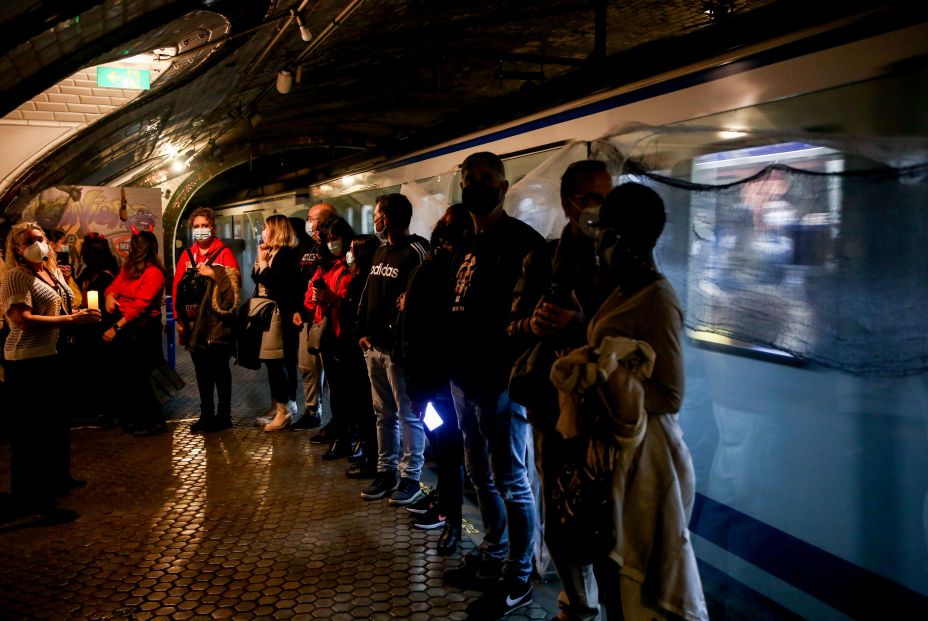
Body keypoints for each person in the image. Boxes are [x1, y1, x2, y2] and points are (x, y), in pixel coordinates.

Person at [547, 183, 707, 621]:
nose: (599, 243)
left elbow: (669, 394)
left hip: (641, 465)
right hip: (613, 461)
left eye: (606, 233)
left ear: (622, 238)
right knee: (610, 567)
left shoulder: (657, 299)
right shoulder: (622, 288)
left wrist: (602, 379)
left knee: (626, 579)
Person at [507, 160, 616, 620]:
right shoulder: (543, 259)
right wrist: (532, 324)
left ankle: (610, 605)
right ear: (569, 203)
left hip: (609, 409)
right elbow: (510, 327)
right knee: (560, 511)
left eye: (606, 198)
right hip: (554, 408)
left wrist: (580, 324)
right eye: (591, 198)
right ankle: (578, 603)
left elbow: (630, 334)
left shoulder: (624, 257)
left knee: (610, 521)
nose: (599, 208)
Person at [442, 151, 545, 619]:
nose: (476, 186)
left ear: (504, 188)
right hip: (463, 377)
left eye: (486, 179)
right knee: (479, 474)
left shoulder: (522, 242)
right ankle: (494, 550)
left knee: (512, 480)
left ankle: (520, 576)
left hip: (501, 382)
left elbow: (531, 318)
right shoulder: (466, 239)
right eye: (469, 179)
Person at [0, 221, 101, 519]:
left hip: (53, 354)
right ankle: (31, 496)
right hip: (27, 359)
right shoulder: (15, 277)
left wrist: (75, 307)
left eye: (41, 238)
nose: (38, 244)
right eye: (29, 240)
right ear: (17, 249)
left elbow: (64, 306)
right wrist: (72, 321)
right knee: (32, 431)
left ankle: (57, 479)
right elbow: (22, 320)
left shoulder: (52, 271)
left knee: (56, 422)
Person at [397, 203, 473, 555]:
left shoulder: (430, 271)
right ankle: (446, 511)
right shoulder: (456, 269)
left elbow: (411, 328)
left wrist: (414, 383)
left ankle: (448, 516)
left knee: (446, 450)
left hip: (433, 385)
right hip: (447, 383)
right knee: (449, 451)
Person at [355, 193, 429, 505]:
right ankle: (386, 471)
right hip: (375, 347)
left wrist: (404, 341)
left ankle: (411, 476)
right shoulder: (381, 251)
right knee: (382, 413)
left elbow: (424, 297)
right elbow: (368, 293)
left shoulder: (416, 251)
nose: (374, 219)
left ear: (387, 218)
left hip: (399, 350)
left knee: (408, 414)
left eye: (376, 213)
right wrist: (362, 330)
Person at [173, 207, 241, 433]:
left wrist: (213, 273)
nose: (201, 230)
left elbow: (233, 288)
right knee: (201, 371)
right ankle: (206, 415)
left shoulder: (224, 253)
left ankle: (224, 415)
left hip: (216, 324)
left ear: (212, 227)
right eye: (196, 226)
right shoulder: (187, 255)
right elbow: (177, 288)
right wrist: (179, 320)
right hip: (193, 324)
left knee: (220, 370)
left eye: (204, 225)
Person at [294, 217, 355, 459]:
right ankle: (340, 432)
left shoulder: (349, 265)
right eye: (327, 240)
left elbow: (348, 297)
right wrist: (315, 298)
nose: (331, 244)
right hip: (327, 333)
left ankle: (348, 435)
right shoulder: (323, 265)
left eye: (335, 239)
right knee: (335, 388)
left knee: (344, 389)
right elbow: (310, 298)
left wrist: (330, 298)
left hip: (343, 333)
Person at [103, 230, 168, 436]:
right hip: (130, 327)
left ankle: (154, 421)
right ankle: (139, 418)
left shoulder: (154, 273)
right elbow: (113, 287)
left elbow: (140, 307)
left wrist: (115, 327)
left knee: (144, 376)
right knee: (132, 376)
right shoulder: (129, 268)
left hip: (144, 328)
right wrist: (109, 297)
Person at [252, 214, 302, 431]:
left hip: (279, 314)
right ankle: (276, 405)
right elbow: (258, 279)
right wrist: (260, 260)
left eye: (266, 227)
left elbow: (275, 283)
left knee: (277, 361)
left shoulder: (287, 256)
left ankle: (284, 410)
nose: (264, 231)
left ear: (278, 230)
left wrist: (263, 263)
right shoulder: (271, 252)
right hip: (266, 313)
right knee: (271, 362)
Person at [293, 203, 336, 432]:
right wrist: (298, 309)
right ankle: (312, 411)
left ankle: (337, 417)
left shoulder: (335, 246)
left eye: (314, 218)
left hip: (328, 317)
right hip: (307, 317)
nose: (309, 223)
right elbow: (299, 281)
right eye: (308, 218)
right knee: (307, 366)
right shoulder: (306, 248)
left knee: (331, 371)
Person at [342, 234, 381, 479]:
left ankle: (372, 459)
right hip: (355, 348)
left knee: (369, 409)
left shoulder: (364, 281)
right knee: (364, 407)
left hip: (362, 351)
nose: (348, 253)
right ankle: (369, 454)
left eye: (352, 249)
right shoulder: (359, 278)